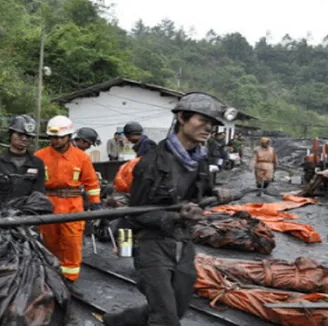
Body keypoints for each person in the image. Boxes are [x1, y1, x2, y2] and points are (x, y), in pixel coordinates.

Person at [101, 92, 235, 326]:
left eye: (212, 124)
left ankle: (119, 322)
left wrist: (215, 194)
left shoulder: (200, 161)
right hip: (151, 244)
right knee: (165, 317)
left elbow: (196, 195)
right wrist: (174, 216)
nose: (208, 128)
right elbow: (137, 212)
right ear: (182, 118)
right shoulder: (152, 163)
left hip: (182, 242)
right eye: (202, 121)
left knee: (177, 307)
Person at [35, 115, 102, 293]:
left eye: (59, 137)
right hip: (48, 204)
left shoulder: (81, 158)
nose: (55, 140)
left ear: (69, 136)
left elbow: (91, 182)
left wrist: (95, 203)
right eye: (52, 137)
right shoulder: (39, 157)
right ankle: (53, 275)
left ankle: (70, 278)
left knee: (72, 243)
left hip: (73, 205)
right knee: (50, 242)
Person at [0, 114, 45, 218]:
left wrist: (26, 219)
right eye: (20, 134)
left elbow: (38, 197)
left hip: (27, 221)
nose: (24, 138)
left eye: (28, 136)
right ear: (11, 134)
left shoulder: (37, 164)